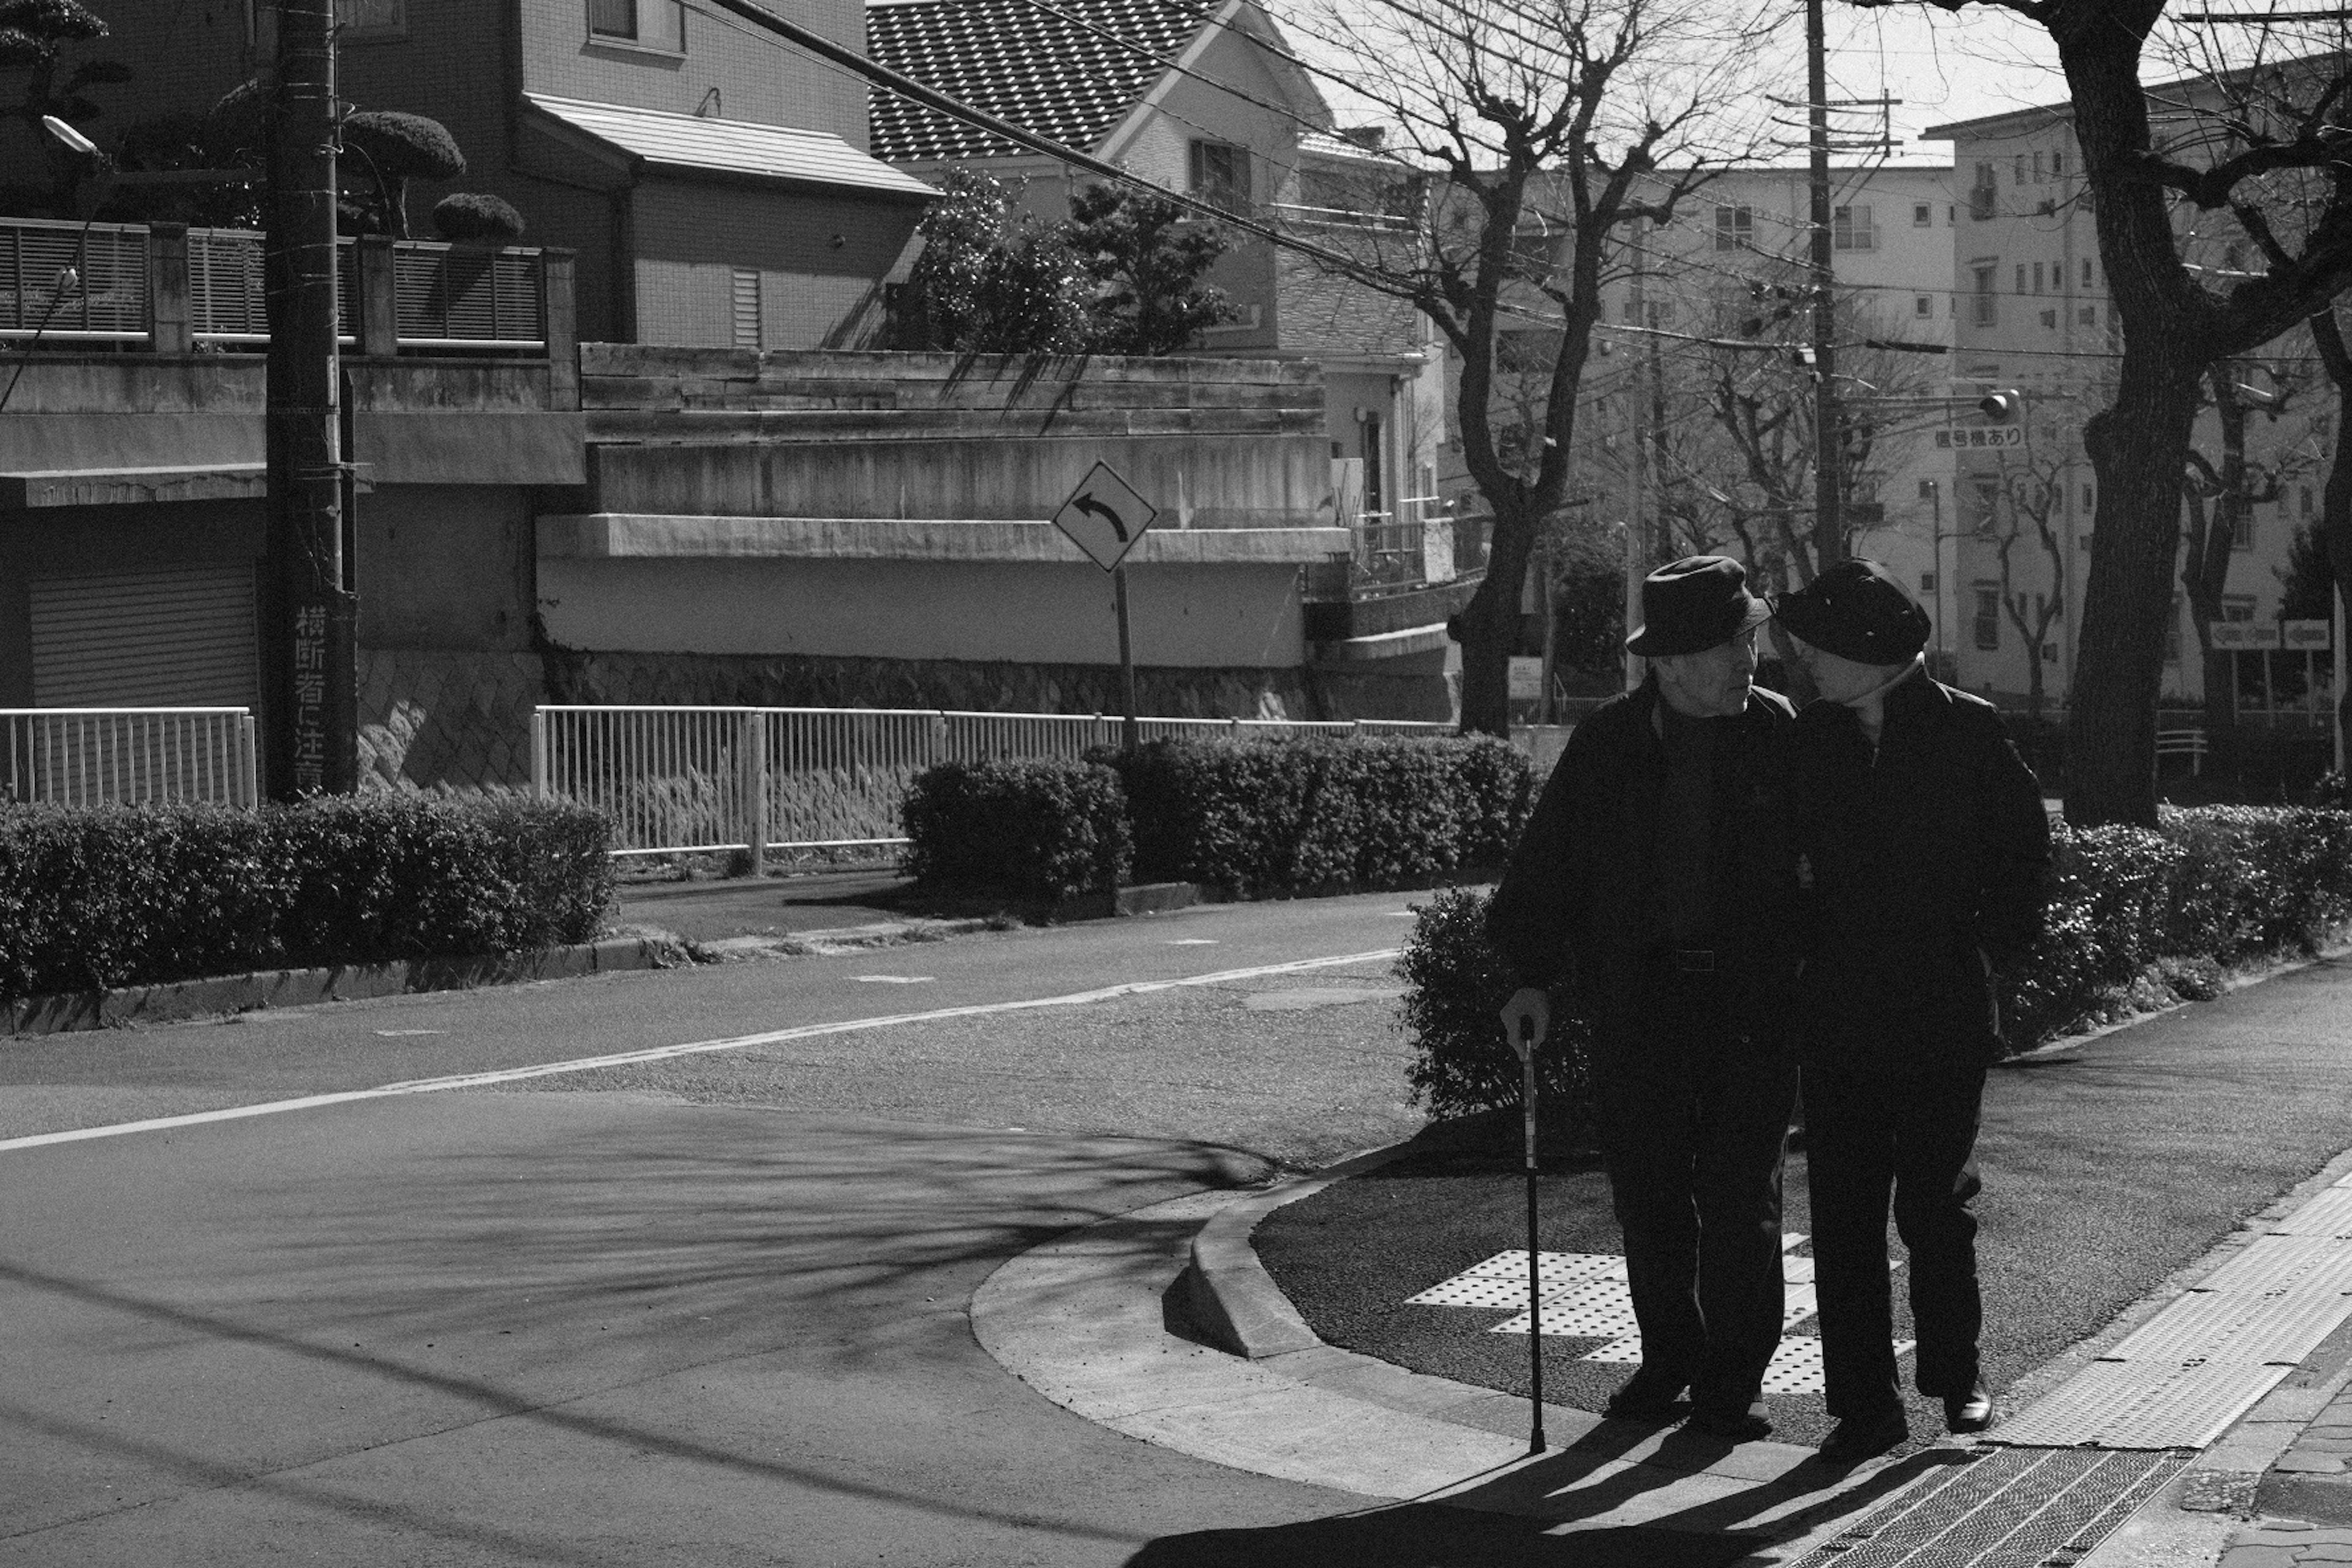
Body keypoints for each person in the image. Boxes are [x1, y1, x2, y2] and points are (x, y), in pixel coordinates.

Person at [1488, 556, 1803, 1442]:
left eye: (1751, 637)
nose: (1752, 656)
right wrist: (1529, 976)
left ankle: (1733, 1381)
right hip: (1642, 998)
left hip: (1751, 1006)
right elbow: (1549, 868)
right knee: (1652, 1194)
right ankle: (1672, 1358)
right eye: (1732, 642)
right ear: (1668, 662)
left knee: (1745, 1200)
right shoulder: (1610, 745)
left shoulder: (1780, 734)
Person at [1773, 558, 2051, 1464]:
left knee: (1935, 1204)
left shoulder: (1969, 731)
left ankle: (1956, 1378)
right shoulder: (1810, 739)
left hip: (1939, 1007)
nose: (1804, 660)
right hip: (1840, 1007)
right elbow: (1781, 868)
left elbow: (2023, 859)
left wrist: (1982, 951)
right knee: (1845, 1214)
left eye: (1817, 647)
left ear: (1865, 651)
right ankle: (1864, 1405)